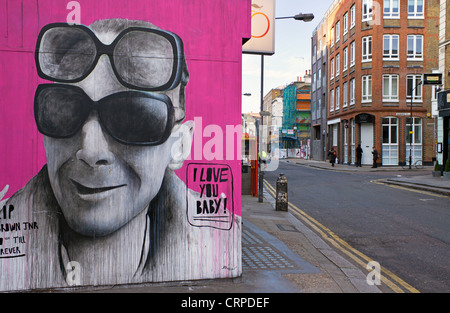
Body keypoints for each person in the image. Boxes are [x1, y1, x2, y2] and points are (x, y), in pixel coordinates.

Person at [1, 19, 240, 291]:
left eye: (133, 118)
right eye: (64, 111)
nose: (90, 151)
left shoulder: (225, 245)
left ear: (179, 146)